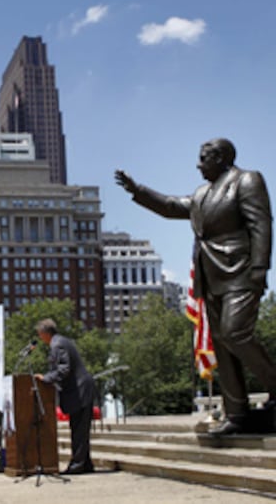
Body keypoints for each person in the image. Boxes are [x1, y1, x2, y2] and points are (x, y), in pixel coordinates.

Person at [115, 138, 276, 435]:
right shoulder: (202, 194)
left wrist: (259, 267)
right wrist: (138, 190)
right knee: (223, 346)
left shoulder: (247, 180)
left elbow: (261, 224)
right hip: (210, 277)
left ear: (221, 158)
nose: (198, 164)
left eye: (204, 158)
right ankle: (237, 413)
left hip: (240, 272)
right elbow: (170, 206)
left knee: (235, 332)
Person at [34, 318, 96, 475]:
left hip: (80, 391)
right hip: (78, 392)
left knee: (79, 431)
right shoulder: (60, 341)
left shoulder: (58, 344)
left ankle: (77, 465)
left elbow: (64, 368)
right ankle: (85, 463)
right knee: (78, 430)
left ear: (45, 333)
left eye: (40, 335)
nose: (40, 339)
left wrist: (46, 378)